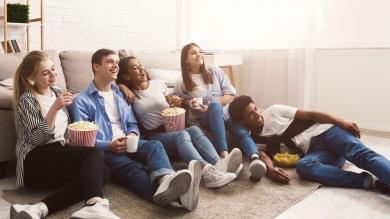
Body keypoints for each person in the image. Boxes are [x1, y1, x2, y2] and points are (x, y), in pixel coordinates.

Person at [71, 49, 197, 211]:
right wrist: (109, 145)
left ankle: (166, 179)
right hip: (108, 151)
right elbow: (83, 140)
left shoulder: (121, 94)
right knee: (134, 170)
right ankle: (176, 199)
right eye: (110, 61)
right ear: (96, 66)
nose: (115, 65)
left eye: (117, 62)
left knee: (155, 145)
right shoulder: (81, 100)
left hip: (130, 142)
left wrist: (132, 134)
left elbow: (132, 123)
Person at [10, 51, 119, 219]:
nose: (53, 75)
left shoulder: (56, 91)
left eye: (53, 69)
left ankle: (40, 208)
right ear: (31, 77)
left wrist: (70, 137)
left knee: (103, 172)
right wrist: (54, 108)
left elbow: (64, 128)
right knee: (95, 153)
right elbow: (37, 139)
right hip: (34, 162)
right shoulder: (28, 99)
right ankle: (95, 204)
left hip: (56, 155)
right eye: (46, 73)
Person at [116, 56, 240, 193]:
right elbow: (107, 86)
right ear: (126, 76)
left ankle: (219, 164)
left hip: (172, 128)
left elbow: (170, 99)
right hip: (154, 135)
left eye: (140, 65)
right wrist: (120, 86)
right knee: (183, 134)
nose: (141, 69)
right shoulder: (129, 94)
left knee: (193, 129)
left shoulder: (158, 84)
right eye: (135, 68)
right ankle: (206, 172)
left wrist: (174, 100)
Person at [228, 95, 390, 193]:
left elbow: (312, 115)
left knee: (362, 156)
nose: (257, 115)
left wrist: (342, 122)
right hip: (316, 152)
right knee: (304, 167)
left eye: (255, 109)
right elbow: (263, 157)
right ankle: (370, 182)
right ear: (241, 121)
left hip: (327, 132)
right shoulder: (254, 140)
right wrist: (270, 169)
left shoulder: (274, 111)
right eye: (251, 114)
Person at [174, 42, 266, 180]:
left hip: (226, 114)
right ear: (186, 59)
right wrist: (190, 102)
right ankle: (224, 156)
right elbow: (179, 99)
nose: (199, 54)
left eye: (200, 51)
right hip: (206, 119)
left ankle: (255, 159)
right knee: (215, 107)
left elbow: (231, 93)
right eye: (193, 53)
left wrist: (212, 104)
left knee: (238, 128)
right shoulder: (182, 80)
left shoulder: (214, 71)